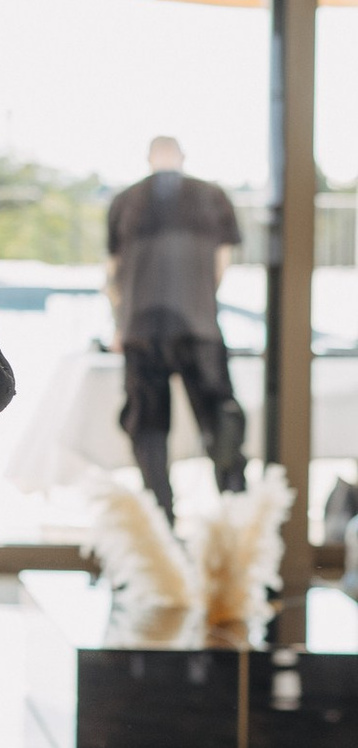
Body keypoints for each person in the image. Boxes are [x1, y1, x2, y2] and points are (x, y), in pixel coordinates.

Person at [106, 133, 246, 521]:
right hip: (198, 325)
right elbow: (220, 266)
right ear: (182, 156)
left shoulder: (125, 201)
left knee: (148, 429)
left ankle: (161, 519)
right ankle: (236, 515)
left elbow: (113, 273)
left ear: (149, 157)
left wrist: (119, 322)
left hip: (140, 328)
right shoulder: (213, 196)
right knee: (221, 420)